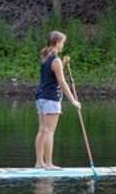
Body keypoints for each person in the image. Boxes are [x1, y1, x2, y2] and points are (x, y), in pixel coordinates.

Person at [34, 30, 81, 168]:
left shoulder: (45, 56)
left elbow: (52, 74)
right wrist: (73, 101)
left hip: (41, 97)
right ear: (57, 42)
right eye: (62, 43)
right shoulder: (56, 60)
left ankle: (39, 162)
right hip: (51, 98)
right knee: (49, 131)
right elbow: (62, 82)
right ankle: (48, 164)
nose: (63, 45)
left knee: (42, 130)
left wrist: (64, 63)